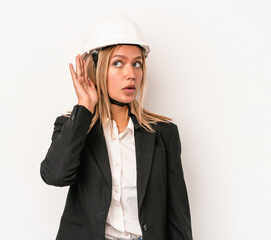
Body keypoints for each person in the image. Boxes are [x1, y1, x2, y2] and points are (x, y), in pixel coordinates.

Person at [40, 13, 193, 240]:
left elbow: (177, 216)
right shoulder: (74, 126)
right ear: (96, 68)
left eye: (137, 64)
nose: (131, 74)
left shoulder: (163, 133)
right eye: (118, 63)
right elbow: (56, 176)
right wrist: (85, 107)